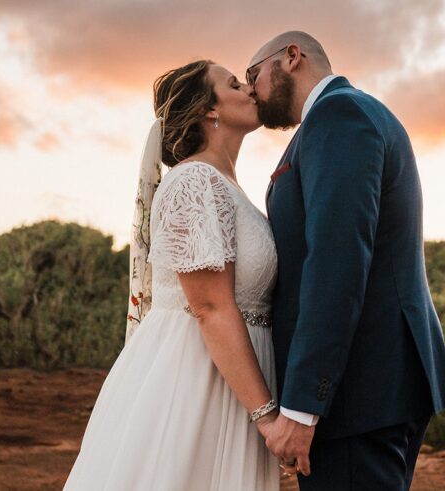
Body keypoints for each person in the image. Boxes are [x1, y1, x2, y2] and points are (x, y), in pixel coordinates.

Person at [250, 31, 445, 490]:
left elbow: (336, 262)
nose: (251, 90)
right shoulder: (348, 116)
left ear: (291, 58)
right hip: (370, 386)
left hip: (355, 392)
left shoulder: (339, 115)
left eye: (253, 75)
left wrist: (304, 405)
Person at [62, 59, 282, 490]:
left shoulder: (229, 187)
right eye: (234, 83)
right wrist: (267, 417)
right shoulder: (193, 183)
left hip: (234, 381)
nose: (249, 89)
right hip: (193, 383)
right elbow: (209, 306)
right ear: (209, 110)